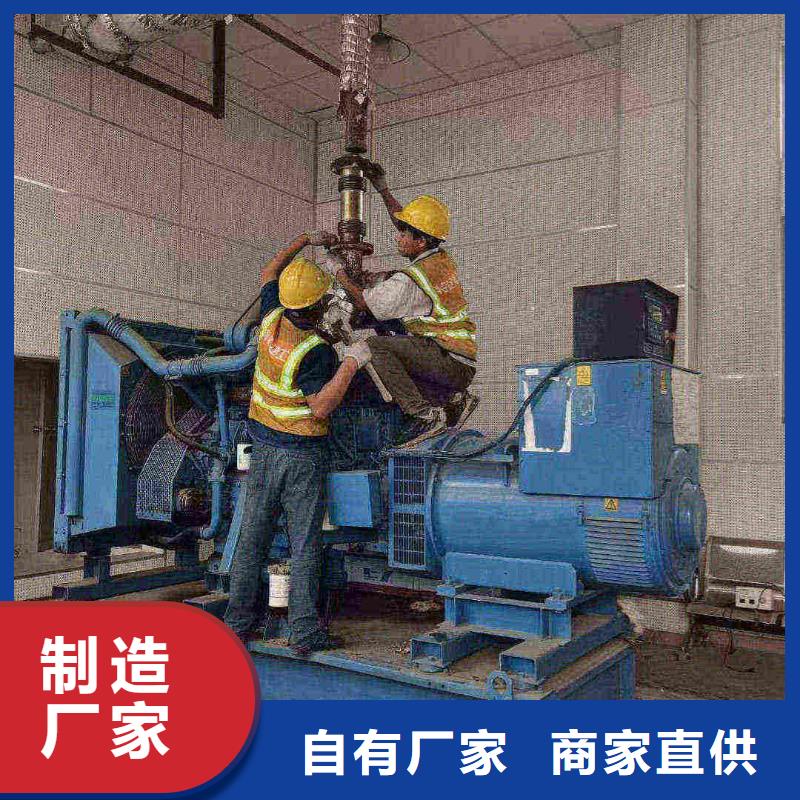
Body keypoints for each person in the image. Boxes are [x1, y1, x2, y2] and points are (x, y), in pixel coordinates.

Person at [224, 230, 371, 655]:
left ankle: (237, 625)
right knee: (305, 544)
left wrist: (305, 240)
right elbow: (321, 406)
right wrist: (352, 362)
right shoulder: (315, 350)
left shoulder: (272, 316)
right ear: (318, 305)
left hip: (262, 451)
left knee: (251, 540)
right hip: (301, 457)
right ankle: (304, 633)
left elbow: (270, 271)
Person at [327, 162, 478, 443]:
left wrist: (337, 270)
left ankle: (423, 416)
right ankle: (452, 398)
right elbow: (406, 223)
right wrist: (382, 188)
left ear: (420, 242)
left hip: (447, 360)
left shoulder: (411, 280)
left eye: (403, 234)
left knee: (375, 346)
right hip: (459, 359)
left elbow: (364, 303)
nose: (398, 236)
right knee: (394, 333)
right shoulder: (439, 259)